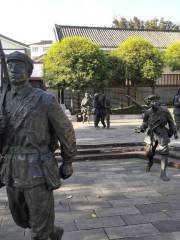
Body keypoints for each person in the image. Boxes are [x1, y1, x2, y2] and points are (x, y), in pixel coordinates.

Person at [0, 51, 76, 240]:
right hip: (11, 166)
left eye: (19, 66)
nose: (13, 70)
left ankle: (44, 231)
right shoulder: (2, 99)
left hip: (37, 167)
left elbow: (65, 130)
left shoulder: (44, 100)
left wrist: (68, 160)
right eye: (10, 67)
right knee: (21, 218)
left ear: (29, 71)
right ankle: (52, 231)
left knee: (38, 229)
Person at [138, 94, 178, 181]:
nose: (155, 102)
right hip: (151, 134)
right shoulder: (147, 112)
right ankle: (150, 161)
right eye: (153, 101)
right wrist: (141, 128)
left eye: (156, 101)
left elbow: (171, 122)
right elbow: (145, 123)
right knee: (148, 153)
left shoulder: (165, 111)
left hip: (162, 133)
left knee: (164, 153)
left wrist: (174, 132)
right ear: (149, 103)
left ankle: (163, 173)